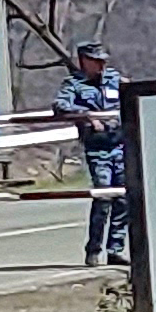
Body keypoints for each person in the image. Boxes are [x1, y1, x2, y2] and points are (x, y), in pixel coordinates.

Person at [60, 42, 127, 266]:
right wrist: (87, 115)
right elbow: (60, 105)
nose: (101, 65)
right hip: (98, 149)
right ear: (84, 61)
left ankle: (116, 249)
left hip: (120, 145)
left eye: (103, 60)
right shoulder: (74, 84)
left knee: (124, 198)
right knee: (103, 196)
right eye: (96, 60)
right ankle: (94, 249)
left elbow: (133, 94)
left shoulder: (114, 79)